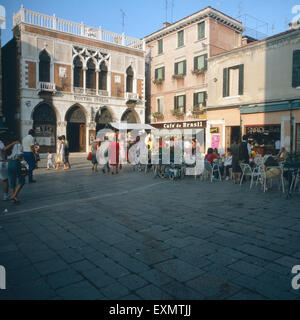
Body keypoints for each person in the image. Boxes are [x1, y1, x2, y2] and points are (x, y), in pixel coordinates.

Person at [0, 132, 19, 201]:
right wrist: (13, 143)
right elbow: (4, 149)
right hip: (1, 163)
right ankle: (5, 196)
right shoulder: (0, 142)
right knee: (5, 180)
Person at [7, 135, 25, 204]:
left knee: (12, 181)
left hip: (9, 163)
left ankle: (14, 199)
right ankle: (14, 196)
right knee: (22, 180)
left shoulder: (8, 145)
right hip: (16, 162)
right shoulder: (18, 145)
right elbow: (19, 155)